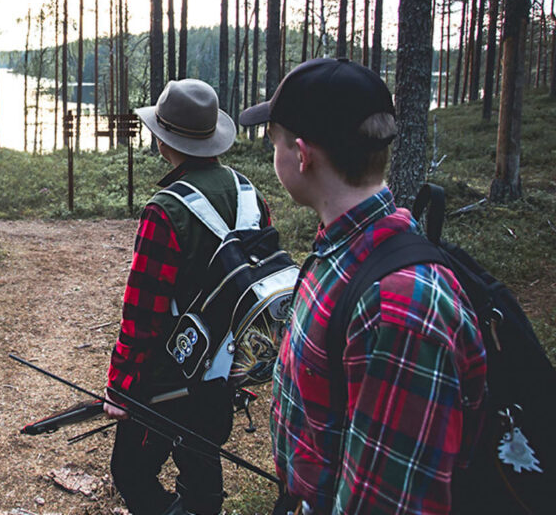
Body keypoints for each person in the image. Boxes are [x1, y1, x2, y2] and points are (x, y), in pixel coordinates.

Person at [238, 58, 487, 515]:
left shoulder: (400, 306)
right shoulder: (343, 251)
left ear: (301, 154)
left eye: (273, 143)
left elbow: (391, 502)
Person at [105, 78, 266, 515]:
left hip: (167, 377)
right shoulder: (251, 194)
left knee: (131, 470)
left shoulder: (165, 210)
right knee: (201, 456)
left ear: (163, 140)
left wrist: (119, 390)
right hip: (227, 368)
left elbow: (141, 315)